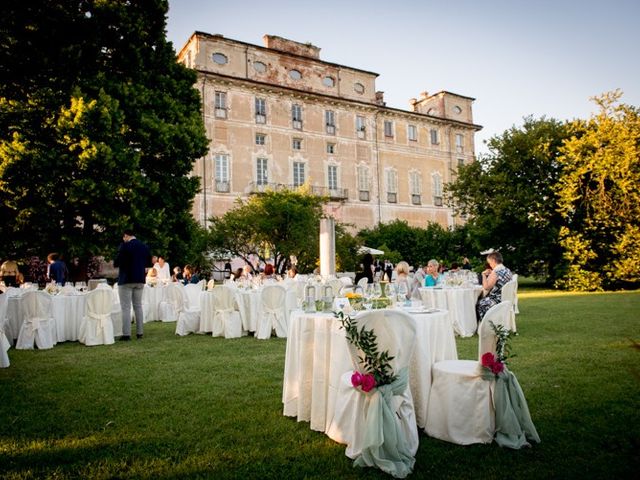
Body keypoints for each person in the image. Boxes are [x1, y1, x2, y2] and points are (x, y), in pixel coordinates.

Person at [114, 229, 152, 340]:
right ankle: (140, 332)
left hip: (126, 279)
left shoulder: (124, 246)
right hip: (140, 279)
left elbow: (117, 262)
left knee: (126, 307)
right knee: (138, 306)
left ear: (126, 236)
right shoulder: (144, 246)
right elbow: (148, 262)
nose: (123, 239)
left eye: (123, 237)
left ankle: (126, 334)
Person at [476, 251, 513, 321]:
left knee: (479, 303)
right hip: (506, 299)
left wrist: (483, 275)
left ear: (493, 260)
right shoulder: (507, 270)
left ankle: (487, 325)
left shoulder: (496, 272)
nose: (490, 265)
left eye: (490, 263)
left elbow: (486, 287)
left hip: (497, 300)